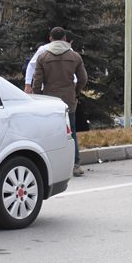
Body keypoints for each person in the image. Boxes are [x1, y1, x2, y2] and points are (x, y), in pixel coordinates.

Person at [32, 26, 89, 177]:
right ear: (64, 39)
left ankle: (52, 165)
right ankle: (75, 164)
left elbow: (37, 82)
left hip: (49, 101)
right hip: (69, 100)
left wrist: (38, 99)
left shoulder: (43, 57)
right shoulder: (75, 56)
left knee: (50, 133)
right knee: (72, 133)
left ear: (50, 39)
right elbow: (83, 79)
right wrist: (75, 91)